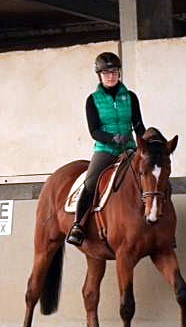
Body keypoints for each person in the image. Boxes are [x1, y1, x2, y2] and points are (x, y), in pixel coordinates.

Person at [66, 52, 146, 246]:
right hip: (106, 150)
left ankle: (159, 224)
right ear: (99, 75)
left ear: (119, 74)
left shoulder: (131, 97)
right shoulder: (92, 100)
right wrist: (112, 138)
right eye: (106, 73)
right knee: (91, 183)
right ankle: (79, 225)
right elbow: (94, 130)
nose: (111, 76)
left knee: (151, 176)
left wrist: (145, 144)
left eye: (114, 72)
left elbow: (139, 125)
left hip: (129, 149)